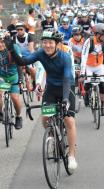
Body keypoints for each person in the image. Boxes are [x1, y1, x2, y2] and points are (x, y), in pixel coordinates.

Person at [4, 29, 78, 172]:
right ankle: (53, 136)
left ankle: (72, 156)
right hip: (50, 88)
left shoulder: (65, 57)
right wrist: (11, 48)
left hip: (66, 88)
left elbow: (67, 78)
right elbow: (22, 62)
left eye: (50, 42)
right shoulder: (40, 54)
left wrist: (64, 100)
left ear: (57, 44)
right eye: (44, 42)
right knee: (45, 118)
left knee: (69, 120)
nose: (47, 45)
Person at [80, 23, 104, 116]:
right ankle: (86, 96)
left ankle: (102, 106)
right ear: (97, 34)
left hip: (99, 66)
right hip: (88, 66)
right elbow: (84, 56)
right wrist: (82, 72)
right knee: (88, 83)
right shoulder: (89, 42)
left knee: (102, 86)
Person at [0, 30, 23, 129]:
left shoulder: (14, 48)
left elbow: (19, 64)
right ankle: (0, 112)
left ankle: (18, 117)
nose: (0, 44)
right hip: (1, 77)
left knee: (14, 98)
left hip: (13, 76)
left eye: (2, 41)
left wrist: (21, 79)